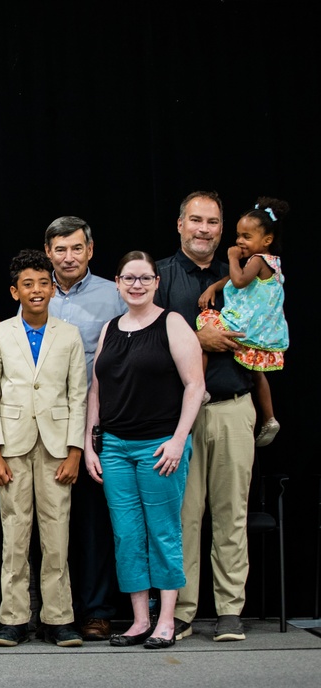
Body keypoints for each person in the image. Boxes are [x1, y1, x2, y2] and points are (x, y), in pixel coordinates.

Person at [85, 251, 204, 649]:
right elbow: (97, 390)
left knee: (163, 532)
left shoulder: (173, 323)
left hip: (159, 447)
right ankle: (139, 620)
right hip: (116, 447)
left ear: (156, 282)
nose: (136, 285)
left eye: (144, 278)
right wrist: (90, 444)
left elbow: (195, 386)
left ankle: (166, 621)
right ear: (117, 283)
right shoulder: (110, 329)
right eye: (128, 278)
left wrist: (179, 439)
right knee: (127, 535)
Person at [155, 191, 256, 642]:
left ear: (222, 228)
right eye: (195, 220)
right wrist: (202, 337)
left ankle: (230, 610)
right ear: (179, 225)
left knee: (231, 513)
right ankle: (182, 611)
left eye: (213, 222)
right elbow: (148, 342)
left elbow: (267, 333)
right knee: (182, 517)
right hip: (178, 419)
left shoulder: (247, 275)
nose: (204, 229)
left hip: (233, 408)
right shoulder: (158, 276)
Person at [0, 249, 86, 648]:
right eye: (28, 284)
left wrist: (75, 449)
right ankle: (13, 618)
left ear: (53, 289)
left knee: (57, 533)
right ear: (15, 291)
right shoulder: (0, 333)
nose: (37, 290)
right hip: (12, 446)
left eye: (44, 283)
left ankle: (59, 618)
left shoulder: (69, 335)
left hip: (58, 448)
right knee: (15, 531)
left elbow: (79, 395)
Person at [43, 216, 126, 641]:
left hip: (99, 422)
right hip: (45, 425)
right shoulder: (36, 294)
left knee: (93, 521)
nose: (68, 257)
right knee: (52, 519)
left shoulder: (115, 295)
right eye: (60, 249)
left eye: (76, 248)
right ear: (48, 253)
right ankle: (54, 610)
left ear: (90, 251)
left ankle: (96, 609)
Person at [196, 198, 289, 447]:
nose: (239, 242)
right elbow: (233, 278)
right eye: (237, 235)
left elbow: (237, 281)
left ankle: (200, 387)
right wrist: (215, 286)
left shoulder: (258, 260)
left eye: (246, 236)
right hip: (261, 331)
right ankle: (269, 417)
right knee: (256, 372)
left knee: (207, 330)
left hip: (245, 324)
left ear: (266, 240)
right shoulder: (272, 262)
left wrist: (231, 256)